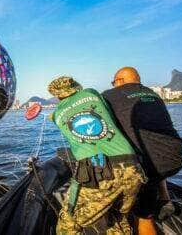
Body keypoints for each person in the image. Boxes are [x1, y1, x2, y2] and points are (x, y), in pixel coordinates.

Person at [48, 76, 146, 234]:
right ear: (75, 86)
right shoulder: (92, 93)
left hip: (101, 172)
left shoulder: (58, 112)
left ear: (57, 95)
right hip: (132, 168)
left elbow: (56, 118)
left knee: (68, 222)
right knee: (115, 217)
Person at [102, 67, 182, 234]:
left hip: (148, 166)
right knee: (155, 153)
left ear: (119, 81)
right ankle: (164, 198)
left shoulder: (109, 95)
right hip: (175, 158)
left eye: (114, 82)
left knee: (143, 217)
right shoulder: (154, 95)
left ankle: (143, 216)